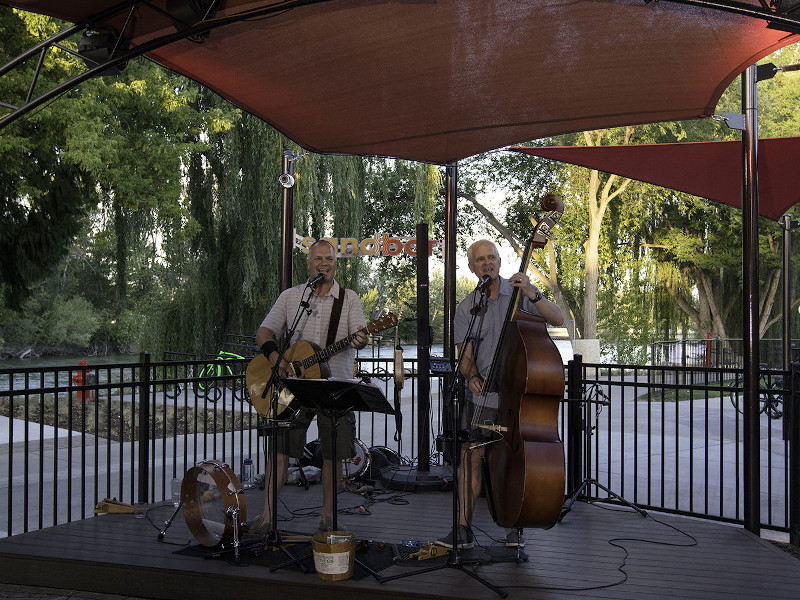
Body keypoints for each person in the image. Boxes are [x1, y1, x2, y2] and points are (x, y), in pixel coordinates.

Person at [435, 239, 564, 550]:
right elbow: (464, 355)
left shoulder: (520, 294)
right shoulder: (467, 307)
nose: (487, 263)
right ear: (472, 267)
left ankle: (513, 525)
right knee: (470, 458)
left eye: (491, 257)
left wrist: (534, 291)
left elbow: (558, 319)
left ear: (499, 261)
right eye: (480, 260)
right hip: (482, 398)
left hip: (517, 396)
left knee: (512, 462)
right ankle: (463, 528)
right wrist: (472, 376)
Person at [248, 239, 369, 534]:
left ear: (335, 264)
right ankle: (267, 516)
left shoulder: (349, 298)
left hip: (333, 387)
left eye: (329, 259)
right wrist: (276, 357)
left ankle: (327, 516)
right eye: (319, 259)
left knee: (331, 454)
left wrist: (362, 339)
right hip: (294, 387)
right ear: (309, 263)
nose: (324, 263)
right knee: (279, 450)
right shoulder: (292, 297)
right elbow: (264, 330)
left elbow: (361, 335)